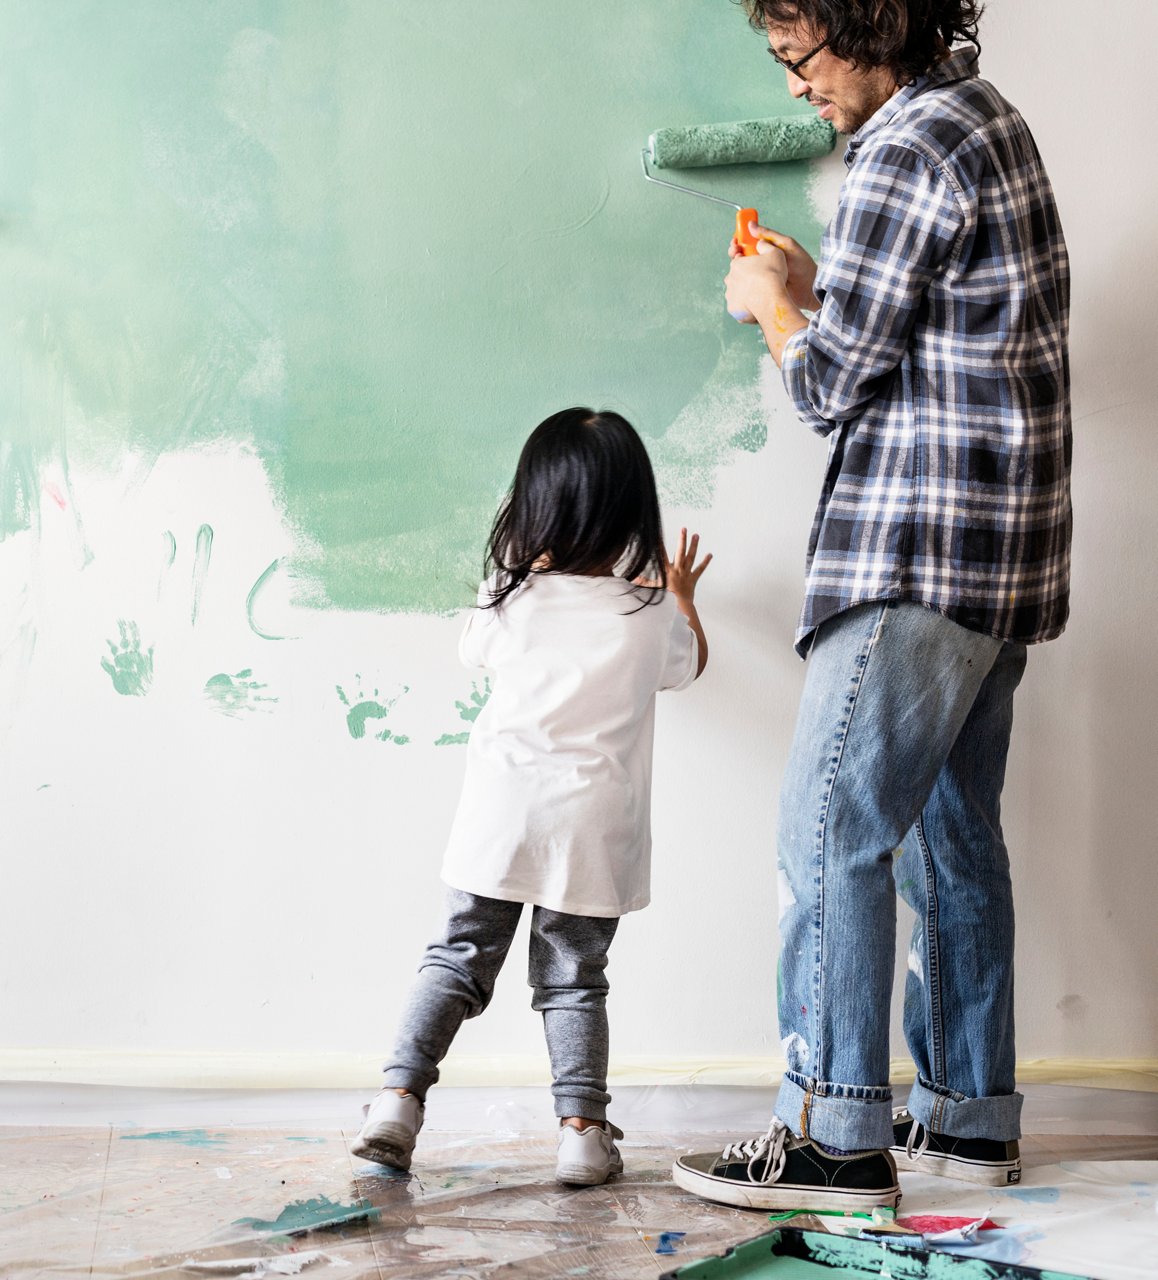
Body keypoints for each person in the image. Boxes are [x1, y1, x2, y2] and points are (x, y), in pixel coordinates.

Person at [673, 0, 1071, 1211]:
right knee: (950, 842)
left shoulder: (902, 146)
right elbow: (923, 333)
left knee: (829, 829)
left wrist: (770, 309)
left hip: (914, 547)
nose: (793, 84)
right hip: (997, 558)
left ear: (868, 20)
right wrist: (813, 281)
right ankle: (965, 1116)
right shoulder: (980, 120)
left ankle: (832, 1134)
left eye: (799, 54)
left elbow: (836, 382)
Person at [353, 407, 711, 1186]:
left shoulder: (508, 598)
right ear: (632, 510)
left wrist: (530, 568)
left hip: (500, 816)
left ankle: (396, 1102)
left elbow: (472, 650)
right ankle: (582, 1134)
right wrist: (681, 596)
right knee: (573, 977)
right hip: (593, 826)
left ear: (533, 505)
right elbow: (689, 669)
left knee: (456, 959)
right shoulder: (647, 614)